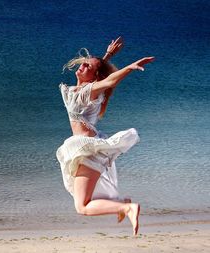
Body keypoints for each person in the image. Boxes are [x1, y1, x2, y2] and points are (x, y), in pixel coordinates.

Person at [56, 37, 154, 235]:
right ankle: (122, 204)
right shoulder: (78, 89)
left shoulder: (89, 90)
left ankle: (127, 208)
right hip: (87, 149)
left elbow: (108, 80)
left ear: (93, 78)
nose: (82, 65)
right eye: (83, 63)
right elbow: (100, 72)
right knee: (83, 202)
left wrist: (129, 67)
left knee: (82, 207)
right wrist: (107, 56)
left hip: (88, 150)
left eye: (87, 66)